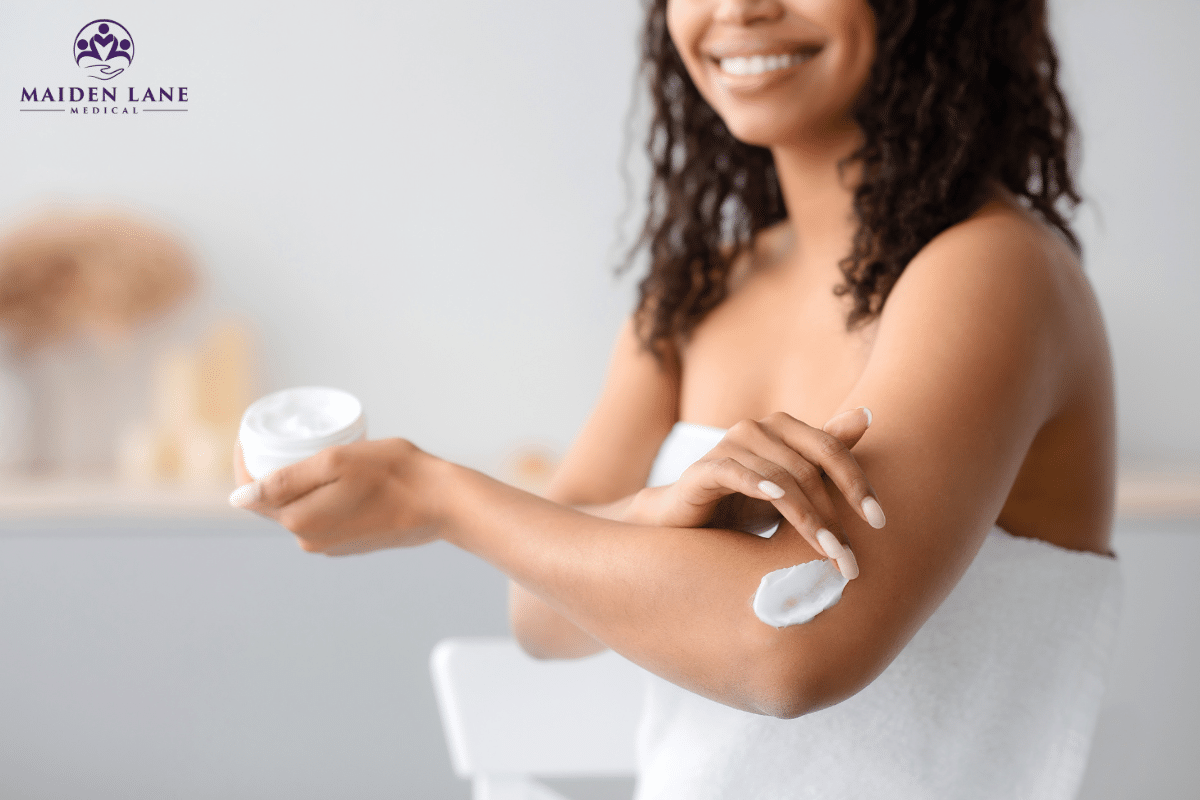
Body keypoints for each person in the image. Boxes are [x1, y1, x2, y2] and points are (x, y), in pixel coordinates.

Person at [231, 0, 1120, 795]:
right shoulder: (694, 298)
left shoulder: (992, 272)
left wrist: (438, 495)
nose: (740, 10)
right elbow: (542, 616)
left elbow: (790, 650)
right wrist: (653, 514)